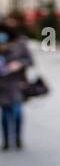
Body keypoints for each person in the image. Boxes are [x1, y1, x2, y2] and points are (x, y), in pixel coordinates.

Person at [1, 14, 33, 151]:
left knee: (17, 112)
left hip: (17, 82)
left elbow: (30, 60)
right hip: (2, 83)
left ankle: (18, 138)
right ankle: (7, 141)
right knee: (4, 113)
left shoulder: (21, 42)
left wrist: (19, 64)